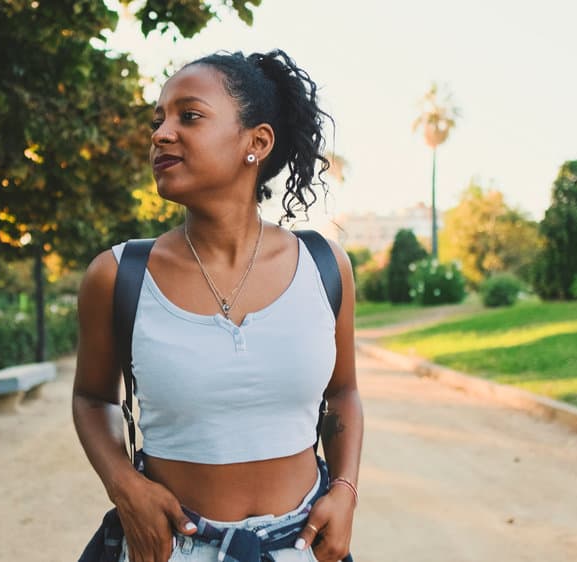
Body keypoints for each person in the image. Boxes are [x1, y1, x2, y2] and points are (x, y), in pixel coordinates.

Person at [73, 49, 363, 562]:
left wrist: (345, 491)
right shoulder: (119, 276)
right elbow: (91, 398)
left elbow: (342, 392)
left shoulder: (324, 267)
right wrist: (125, 487)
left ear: (257, 142)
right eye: (157, 120)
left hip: (301, 548)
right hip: (169, 549)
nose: (161, 134)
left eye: (189, 116)